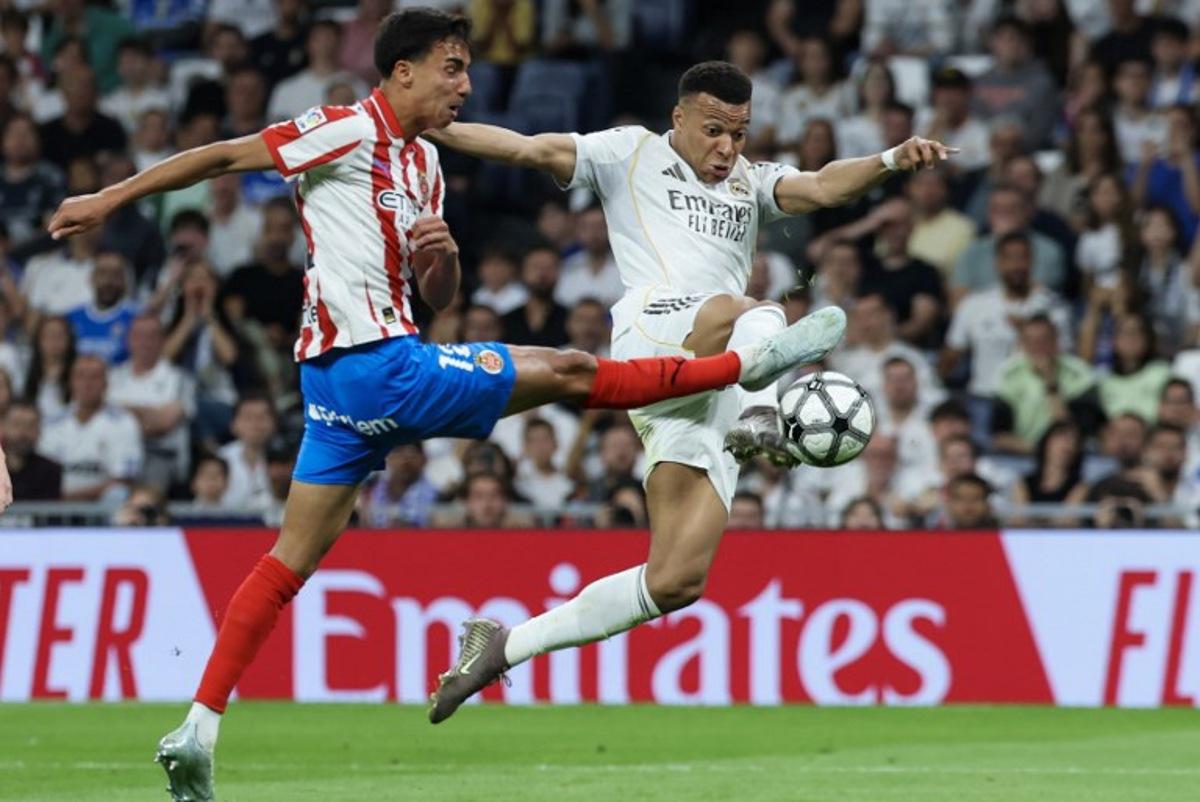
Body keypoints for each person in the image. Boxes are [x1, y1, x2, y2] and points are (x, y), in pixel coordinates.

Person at [45, 12, 838, 800]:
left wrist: (444, 265)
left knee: (288, 564)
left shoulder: (425, 166)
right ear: (403, 73)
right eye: (453, 68)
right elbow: (222, 154)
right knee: (568, 370)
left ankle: (198, 727)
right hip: (379, 370)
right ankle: (746, 367)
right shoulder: (340, 131)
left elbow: (435, 298)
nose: (466, 84)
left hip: (341, 394)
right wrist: (109, 199)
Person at [425, 56, 951, 723]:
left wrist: (891, 159)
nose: (728, 148)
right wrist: (432, 129)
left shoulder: (751, 182)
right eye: (713, 131)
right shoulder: (628, 153)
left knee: (676, 581)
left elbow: (820, 187)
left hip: (710, 389)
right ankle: (766, 414)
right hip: (654, 335)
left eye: (740, 133)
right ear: (678, 118)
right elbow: (529, 148)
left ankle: (503, 645)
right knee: (748, 304)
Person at [37, 355, 142, 501]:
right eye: (80, 377)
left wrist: (72, 497)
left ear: (106, 383)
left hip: (100, 505)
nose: (87, 383)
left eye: (94, 377)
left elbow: (123, 480)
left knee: (118, 493)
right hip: (57, 505)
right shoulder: (52, 423)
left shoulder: (123, 422)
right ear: (70, 382)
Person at [2, 401, 61, 500]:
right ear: (3, 427)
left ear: (39, 430)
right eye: (16, 424)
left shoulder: (50, 471)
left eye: (30, 426)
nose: (23, 432)